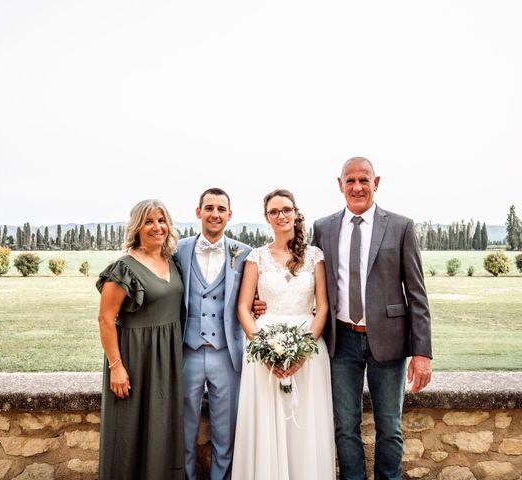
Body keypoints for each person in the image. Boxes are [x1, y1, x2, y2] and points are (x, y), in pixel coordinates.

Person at [312, 157, 433, 479]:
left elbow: (417, 295)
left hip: (389, 341)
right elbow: (310, 283)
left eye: (363, 180)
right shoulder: (322, 229)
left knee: (390, 427)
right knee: (345, 425)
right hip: (341, 341)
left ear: (376, 182)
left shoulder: (400, 226)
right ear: (340, 185)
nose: (357, 187)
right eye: (350, 181)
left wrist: (422, 353)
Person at [232, 189, 336, 480]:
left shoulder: (315, 256)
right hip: (263, 349)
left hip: (309, 348)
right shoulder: (256, 257)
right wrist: (263, 350)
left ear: (295, 212)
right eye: (274, 211)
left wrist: (304, 351)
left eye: (286, 209)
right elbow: (243, 308)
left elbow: (324, 307)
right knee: (268, 422)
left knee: (305, 424)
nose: (281, 216)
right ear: (266, 217)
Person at [96, 199, 184, 480]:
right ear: (137, 227)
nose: (157, 227)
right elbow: (105, 319)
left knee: (162, 429)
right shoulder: (124, 267)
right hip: (134, 358)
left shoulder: (173, 262)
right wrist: (116, 366)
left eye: (161, 220)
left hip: (167, 359)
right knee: (129, 431)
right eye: (149, 221)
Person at [174, 188, 252, 480]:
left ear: (229, 215)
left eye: (221, 209)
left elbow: (255, 294)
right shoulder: (178, 249)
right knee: (183, 428)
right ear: (198, 212)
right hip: (187, 351)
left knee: (226, 430)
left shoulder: (243, 253)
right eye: (209, 208)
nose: (215, 214)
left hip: (227, 353)